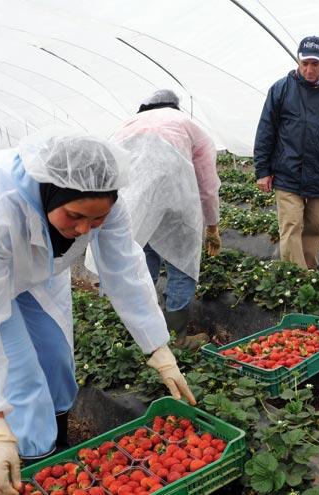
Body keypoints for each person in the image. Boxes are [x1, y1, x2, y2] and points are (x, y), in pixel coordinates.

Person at [0, 130, 196, 495]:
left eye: (96, 220)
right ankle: (38, 462)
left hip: (41, 268)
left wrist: (159, 349)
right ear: (51, 193)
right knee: (22, 377)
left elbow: (125, 270)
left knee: (56, 358)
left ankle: (58, 445)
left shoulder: (104, 203)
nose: (84, 229)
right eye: (75, 216)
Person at [90, 89, 221, 350]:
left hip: (136, 201)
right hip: (177, 201)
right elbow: (206, 183)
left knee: (140, 260)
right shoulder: (188, 125)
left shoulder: (125, 126)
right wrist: (212, 226)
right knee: (182, 264)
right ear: (175, 106)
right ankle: (177, 338)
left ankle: (139, 332)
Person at [254, 35, 319, 270]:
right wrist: (262, 170)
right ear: (298, 61)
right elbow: (265, 132)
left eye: (315, 64)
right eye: (305, 63)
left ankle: (310, 273)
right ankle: (296, 279)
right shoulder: (281, 89)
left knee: (313, 228)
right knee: (290, 224)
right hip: (287, 172)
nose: (309, 69)